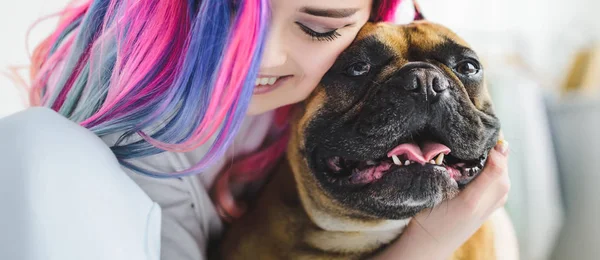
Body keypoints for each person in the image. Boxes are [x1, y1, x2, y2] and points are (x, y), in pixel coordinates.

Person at [27, 0, 513, 259]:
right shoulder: (144, 134)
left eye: (322, 26)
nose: (262, 56)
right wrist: (427, 245)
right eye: (231, 16)